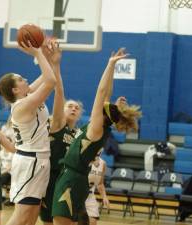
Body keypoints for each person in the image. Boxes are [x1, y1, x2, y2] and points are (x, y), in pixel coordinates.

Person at [52, 48, 142, 225]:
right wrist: (113, 68)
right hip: (76, 178)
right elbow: (106, 94)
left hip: (71, 179)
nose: (104, 103)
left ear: (104, 114)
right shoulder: (103, 128)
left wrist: (109, 65)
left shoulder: (96, 127)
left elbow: (101, 93)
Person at [0, 40, 56, 225]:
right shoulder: (21, 106)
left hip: (40, 159)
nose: (26, 80)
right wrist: (37, 55)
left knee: (32, 215)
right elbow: (51, 81)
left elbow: (47, 76)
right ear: (15, 89)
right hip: (30, 161)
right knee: (22, 215)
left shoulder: (28, 95)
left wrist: (49, 58)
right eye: (21, 80)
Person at [40, 38, 83, 225]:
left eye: (76, 108)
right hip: (50, 178)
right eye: (69, 106)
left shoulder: (80, 134)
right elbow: (59, 93)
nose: (73, 109)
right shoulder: (57, 124)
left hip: (69, 181)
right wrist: (55, 65)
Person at [84, 156, 110, 225]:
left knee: (93, 222)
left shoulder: (103, 163)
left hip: (90, 196)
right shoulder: (84, 159)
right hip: (78, 195)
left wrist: (104, 197)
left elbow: (100, 183)